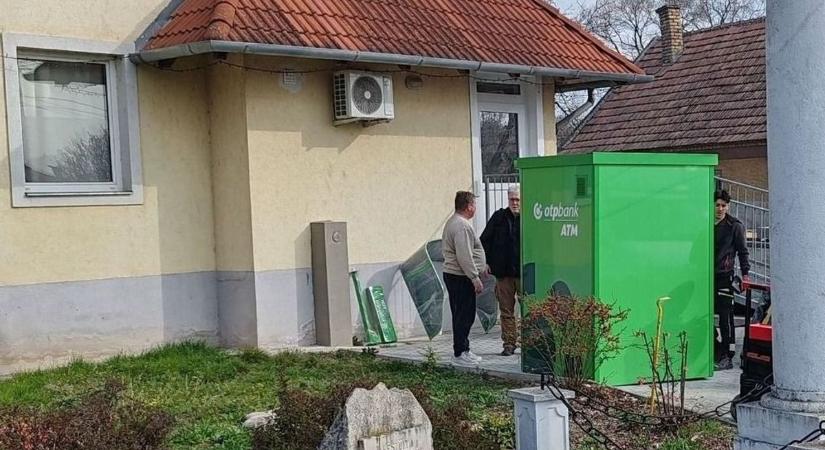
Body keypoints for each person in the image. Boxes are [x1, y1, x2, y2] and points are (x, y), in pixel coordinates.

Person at [442, 191, 487, 366]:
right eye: (474, 204)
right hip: (460, 277)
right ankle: (460, 352)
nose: (475, 208)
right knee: (464, 315)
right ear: (469, 206)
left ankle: (463, 349)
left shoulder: (454, 222)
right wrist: (474, 277)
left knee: (461, 314)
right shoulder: (461, 226)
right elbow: (464, 255)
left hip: (457, 275)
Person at [480, 185, 521, 356]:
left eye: (517, 199)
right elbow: (483, 241)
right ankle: (509, 343)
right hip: (503, 273)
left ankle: (531, 344)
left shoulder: (530, 217)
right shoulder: (498, 217)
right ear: (507, 199)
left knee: (530, 310)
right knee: (506, 311)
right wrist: (486, 262)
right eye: (512, 199)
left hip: (523, 273)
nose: (515, 202)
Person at [714, 189, 750, 370]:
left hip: (725, 277)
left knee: (725, 317)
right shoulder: (705, 222)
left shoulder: (734, 226)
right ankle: (715, 349)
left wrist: (745, 275)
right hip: (706, 277)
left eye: (723, 205)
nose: (720, 209)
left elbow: (743, 252)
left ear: (728, 206)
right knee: (702, 315)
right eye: (717, 205)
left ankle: (728, 355)